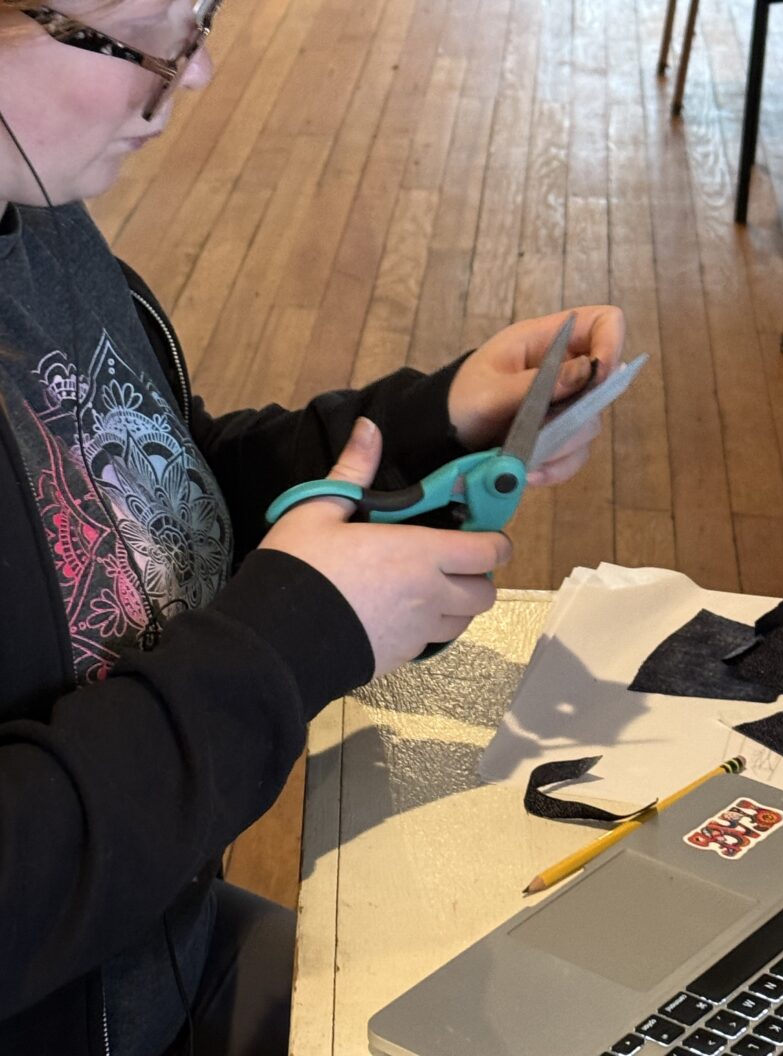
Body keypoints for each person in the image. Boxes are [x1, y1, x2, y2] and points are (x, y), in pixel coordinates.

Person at [0, 0, 626, 1053]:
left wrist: (433, 421)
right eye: (148, 34)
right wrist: (290, 641)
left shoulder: (33, 205)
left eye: (198, 18)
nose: (189, 75)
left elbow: (150, 487)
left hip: (157, 955)